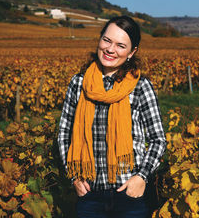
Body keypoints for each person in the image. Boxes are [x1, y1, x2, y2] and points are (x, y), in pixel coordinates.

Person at [58, 15, 166, 218]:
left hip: (130, 195)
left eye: (120, 45)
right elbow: (64, 133)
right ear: (99, 40)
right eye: (107, 40)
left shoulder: (141, 86)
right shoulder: (79, 83)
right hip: (89, 194)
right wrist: (73, 177)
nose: (110, 49)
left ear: (132, 52)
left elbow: (158, 139)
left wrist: (141, 178)